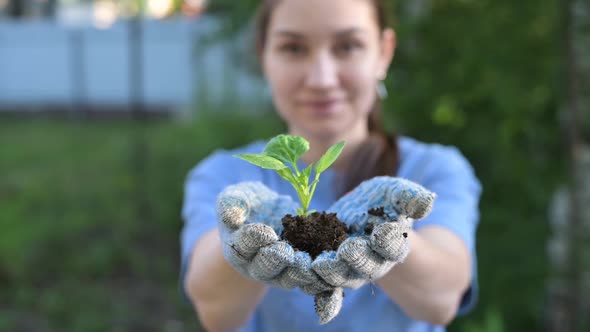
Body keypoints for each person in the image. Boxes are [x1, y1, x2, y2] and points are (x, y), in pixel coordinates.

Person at [180, 0, 482, 331]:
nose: (321, 79)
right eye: (293, 48)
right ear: (263, 54)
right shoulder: (226, 176)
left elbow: (442, 300)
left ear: (383, 52)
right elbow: (214, 309)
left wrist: (389, 230)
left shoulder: (430, 170)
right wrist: (243, 242)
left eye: (348, 46)